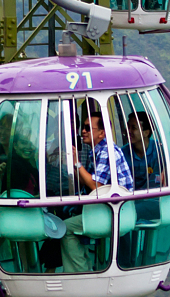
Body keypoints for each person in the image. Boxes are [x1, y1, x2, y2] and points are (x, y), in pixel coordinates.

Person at [59, 102, 133, 272]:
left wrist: (77, 164)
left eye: (87, 128)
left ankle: (80, 273)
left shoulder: (107, 152)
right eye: (82, 127)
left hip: (113, 213)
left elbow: (95, 186)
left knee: (66, 229)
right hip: (108, 209)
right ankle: (84, 268)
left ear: (101, 133)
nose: (82, 131)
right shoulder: (98, 152)